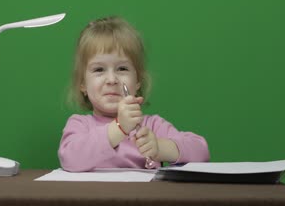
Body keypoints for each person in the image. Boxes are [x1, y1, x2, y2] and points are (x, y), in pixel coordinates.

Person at [58, 16, 209, 172]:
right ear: (82, 84)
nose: (111, 80)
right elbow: (69, 159)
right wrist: (119, 128)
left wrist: (159, 148)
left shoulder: (152, 126)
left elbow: (201, 152)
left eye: (122, 69)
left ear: (138, 81)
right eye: (99, 70)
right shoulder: (80, 125)